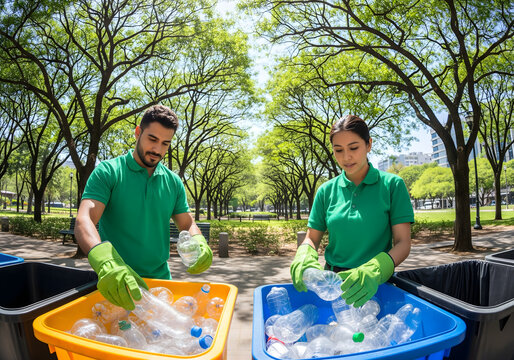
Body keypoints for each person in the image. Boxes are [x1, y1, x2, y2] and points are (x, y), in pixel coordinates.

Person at [75, 105, 212, 310]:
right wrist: (105, 263)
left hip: (161, 286)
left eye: (165, 143)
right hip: (117, 282)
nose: (157, 149)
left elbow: (187, 222)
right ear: (138, 133)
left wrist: (199, 240)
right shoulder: (109, 171)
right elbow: (85, 219)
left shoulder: (173, 182)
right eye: (152, 139)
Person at [290, 115, 414, 307]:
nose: (346, 157)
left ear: (369, 145)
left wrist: (375, 270)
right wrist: (304, 253)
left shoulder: (392, 185)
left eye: (353, 148)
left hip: (375, 285)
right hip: (332, 287)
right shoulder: (325, 190)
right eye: (338, 150)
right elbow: (312, 237)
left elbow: (403, 243)